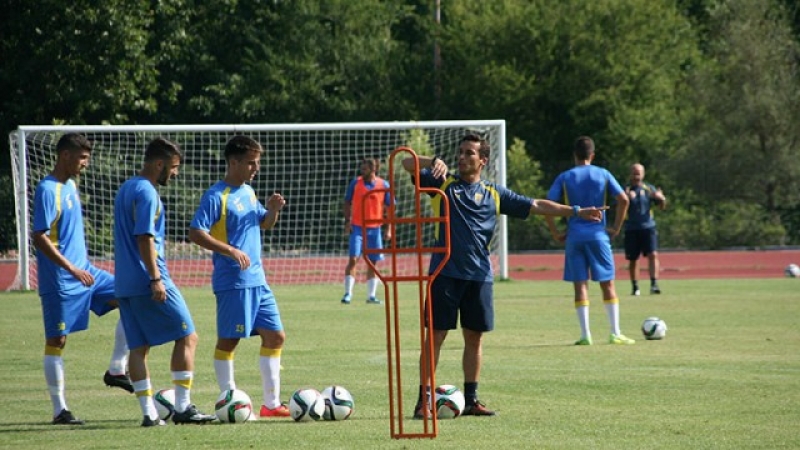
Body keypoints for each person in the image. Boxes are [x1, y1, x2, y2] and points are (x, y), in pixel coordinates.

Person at [402, 133, 604, 418]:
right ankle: (423, 401)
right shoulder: (443, 184)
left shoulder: (495, 193)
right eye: (460, 152)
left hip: (480, 276)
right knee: (436, 337)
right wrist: (432, 160)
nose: (462, 157)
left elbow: (535, 205)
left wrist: (575, 211)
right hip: (443, 273)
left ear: (482, 160)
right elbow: (405, 163)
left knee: (475, 338)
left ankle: (471, 400)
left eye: (469, 153)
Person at [113, 137, 216, 427]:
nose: (175, 173)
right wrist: (156, 279)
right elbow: (144, 237)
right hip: (149, 279)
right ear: (158, 164)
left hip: (125, 284)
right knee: (188, 336)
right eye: (173, 167)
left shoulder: (126, 188)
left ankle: (149, 414)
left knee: (138, 348)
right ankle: (183, 407)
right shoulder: (147, 193)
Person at [32, 133, 133, 426]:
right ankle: (59, 410)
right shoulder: (48, 190)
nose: (85, 164)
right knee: (57, 340)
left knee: (131, 297)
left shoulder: (71, 185)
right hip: (61, 280)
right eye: (82, 157)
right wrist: (72, 269)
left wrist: (81, 268)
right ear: (65, 156)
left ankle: (116, 369)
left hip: (88, 273)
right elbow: (39, 236)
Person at [188, 135, 290, 418]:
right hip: (234, 281)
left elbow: (265, 224)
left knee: (275, 336)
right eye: (250, 163)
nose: (255, 168)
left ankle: (271, 404)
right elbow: (196, 232)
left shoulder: (248, 191)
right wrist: (230, 250)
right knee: (229, 341)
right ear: (233, 162)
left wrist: (272, 210)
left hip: (258, 280)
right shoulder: (216, 196)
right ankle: (229, 401)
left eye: (257, 163)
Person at [544, 136, 634, 346]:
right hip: (598, 235)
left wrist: (556, 231)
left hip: (574, 236)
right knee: (607, 284)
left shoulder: (566, 176)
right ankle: (615, 332)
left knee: (580, 284)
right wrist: (616, 227)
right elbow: (624, 199)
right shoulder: (602, 173)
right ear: (592, 155)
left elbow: (548, 205)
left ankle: (586, 335)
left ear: (574, 155)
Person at [340, 157, 393, 305]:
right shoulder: (356, 183)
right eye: (361, 168)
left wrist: (389, 228)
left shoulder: (383, 184)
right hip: (357, 227)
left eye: (365, 168)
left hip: (375, 229)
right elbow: (347, 201)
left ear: (373, 169)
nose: (362, 171)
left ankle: (371, 296)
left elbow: (390, 207)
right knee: (353, 259)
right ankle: (348, 293)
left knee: (373, 263)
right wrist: (347, 221)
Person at [624, 163, 667, 295]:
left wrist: (661, 199)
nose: (636, 175)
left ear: (643, 174)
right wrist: (626, 199)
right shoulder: (625, 189)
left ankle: (654, 284)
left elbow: (661, 206)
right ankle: (635, 287)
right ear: (630, 173)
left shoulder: (649, 188)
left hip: (648, 227)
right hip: (631, 228)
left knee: (653, 254)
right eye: (634, 172)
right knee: (633, 259)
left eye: (639, 172)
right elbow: (617, 207)